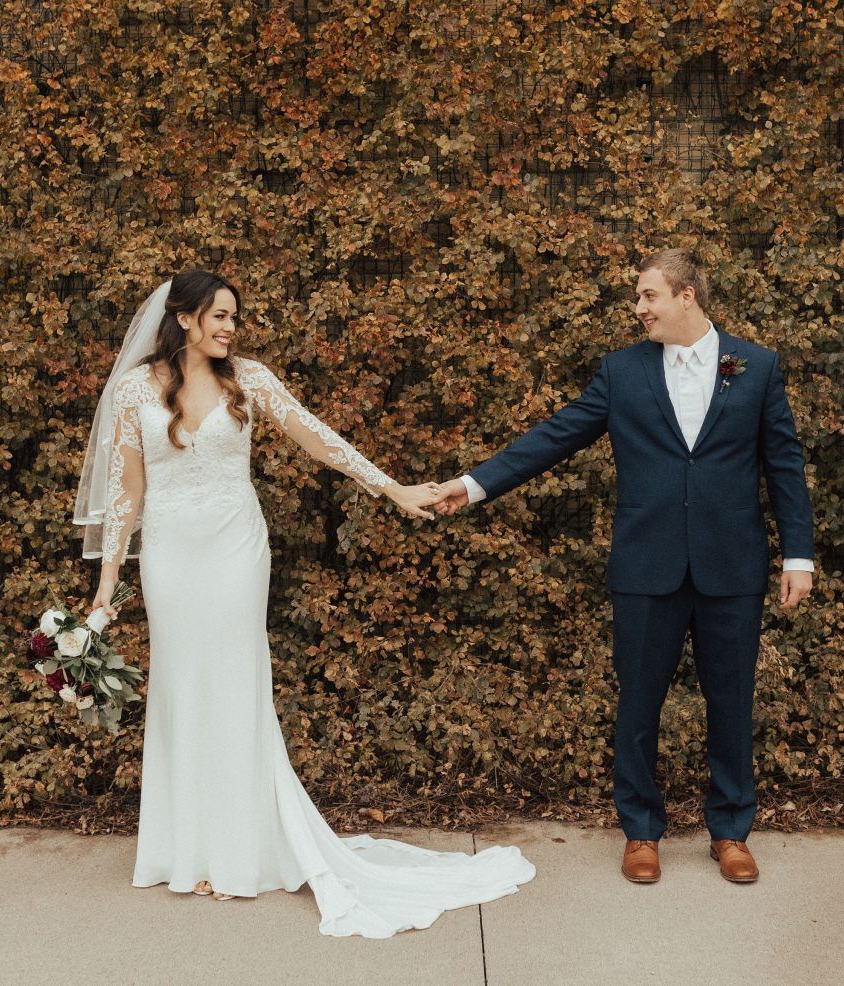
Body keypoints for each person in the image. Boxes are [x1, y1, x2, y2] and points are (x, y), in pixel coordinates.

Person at [72, 271, 534, 938]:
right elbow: (125, 495)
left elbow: (317, 438)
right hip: (171, 558)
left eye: (234, 315)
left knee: (235, 687)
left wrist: (393, 487)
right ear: (182, 317)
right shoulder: (133, 391)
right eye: (218, 315)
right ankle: (188, 852)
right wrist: (105, 593)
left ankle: (238, 856)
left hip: (235, 551)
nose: (229, 327)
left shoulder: (249, 380)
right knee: (181, 689)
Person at [433, 248, 815, 885]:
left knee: (732, 702)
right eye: (638, 299)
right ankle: (640, 830)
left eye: (648, 297)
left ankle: (731, 830)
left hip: (732, 566)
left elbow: (784, 466)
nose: (639, 309)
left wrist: (797, 555)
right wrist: (474, 484)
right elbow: (555, 436)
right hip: (646, 567)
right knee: (638, 705)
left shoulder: (755, 366)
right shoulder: (623, 371)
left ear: (686, 296)